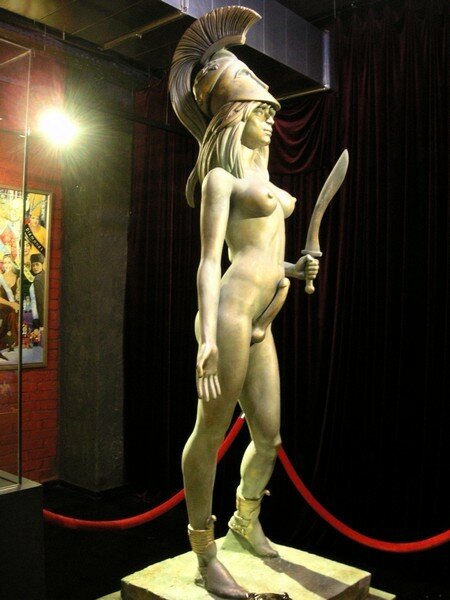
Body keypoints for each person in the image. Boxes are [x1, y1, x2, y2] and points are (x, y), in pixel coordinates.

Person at [169, 7, 319, 598]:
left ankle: (244, 521)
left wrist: (294, 268)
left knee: (269, 437)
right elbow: (212, 262)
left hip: (262, 319)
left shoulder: (264, 179)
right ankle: (205, 552)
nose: (271, 120)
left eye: (272, 111)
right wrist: (207, 336)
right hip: (229, 315)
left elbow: (263, 257)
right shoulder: (221, 181)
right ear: (235, 116)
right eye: (261, 112)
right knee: (209, 433)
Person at [0, 254, 19, 354]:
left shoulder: (18, 277)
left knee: (13, 314)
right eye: (5, 263)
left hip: (15, 308)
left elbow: (19, 295)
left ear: (13, 263)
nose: (7, 265)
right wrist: (11, 304)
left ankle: (14, 342)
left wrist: (16, 305)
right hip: (2, 307)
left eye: (9, 262)